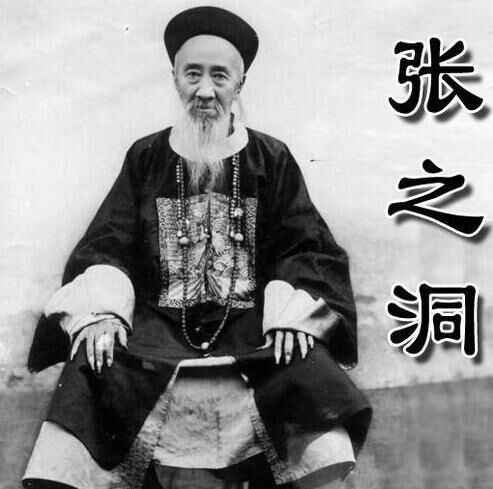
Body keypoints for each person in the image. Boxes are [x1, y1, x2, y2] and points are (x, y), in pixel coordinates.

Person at [23, 6, 371, 489]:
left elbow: (304, 243)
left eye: (219, 76)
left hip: (249, 328)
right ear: (175, 79)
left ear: (240, 84)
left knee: (301, 359)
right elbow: (109, 243)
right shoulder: (146, 156)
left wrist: (293, 314)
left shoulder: (271, 157)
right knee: (96, 358)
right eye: (193, 75)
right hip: (157, 330)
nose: (205, 91)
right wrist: (101, 313)